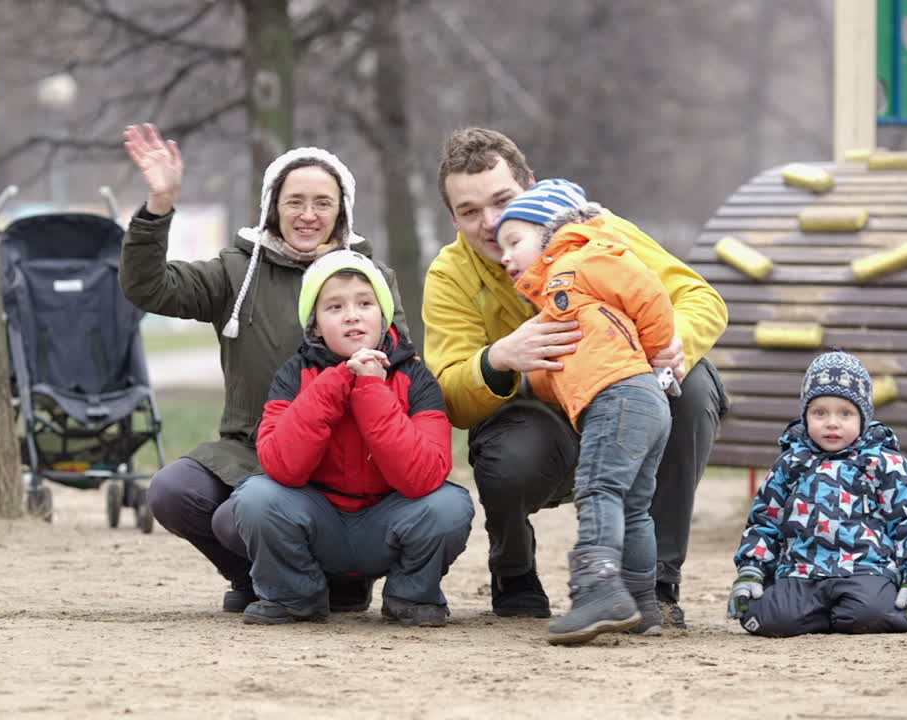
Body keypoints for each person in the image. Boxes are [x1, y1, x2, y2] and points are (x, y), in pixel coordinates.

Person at [423, 127, 729, 625]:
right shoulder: (450, 273)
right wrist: (498, 359)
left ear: (531, 186)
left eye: (503, 200)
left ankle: (654, 583)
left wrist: (671, 345)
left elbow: (700, 298)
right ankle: (514, 568)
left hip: (621, 397)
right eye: (470, 211)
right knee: (506, 456)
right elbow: (452, 394)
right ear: (452, 217)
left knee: (692, 388)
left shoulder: (592, 233)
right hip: (537, 420)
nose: (491, 222)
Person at [119, 124, 410, 614]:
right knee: (174, 492)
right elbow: (148, 288)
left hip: (341, 455)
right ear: (273, 206)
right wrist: (159, 205)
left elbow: (400, 357)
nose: (308, 214)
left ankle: (340, 580)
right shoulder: (236, 271)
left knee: (239, 517)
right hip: (251, 448)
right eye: (295, 201)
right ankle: (257, 577)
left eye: (323, 202)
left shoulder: (370, 278)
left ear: (342, 211)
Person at [227, 249, 473, 627]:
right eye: (335, 307)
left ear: (383, 315)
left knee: (449, 504)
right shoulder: (293, 376)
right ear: (315, 326)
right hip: (318, 523)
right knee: (255, 496)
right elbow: (281, 466)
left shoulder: (417, 378)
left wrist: (371, 388)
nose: (352, 315)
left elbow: (424, 476)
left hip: (387, 524)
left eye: (364, 303)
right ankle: (296, 596)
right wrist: (338, 382)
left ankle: (411, 595)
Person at [492, 179, 676, 643]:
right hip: (638, 400)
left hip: (621, 395)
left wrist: (656, 351)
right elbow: (559, 370)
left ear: (549, 232)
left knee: (598, 490)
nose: (506, 257)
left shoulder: (581, 258)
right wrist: (522, 380)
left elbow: (650, 293)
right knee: (634, 507)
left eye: (514, 242)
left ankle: (597, 588)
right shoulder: (564, 298)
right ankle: (641, 604)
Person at [727, 351, 907, 637]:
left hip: (866, 569)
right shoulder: (791, 463)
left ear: (864, 417)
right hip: (801, 571)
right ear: (805, 415)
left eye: (845, 413)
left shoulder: (885, 463)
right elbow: (766, 520)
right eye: (819, 413)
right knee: (767, 620)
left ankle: (848, 612)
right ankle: (819, 614)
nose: (832, 423)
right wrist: (752, 570)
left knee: (870, 614)